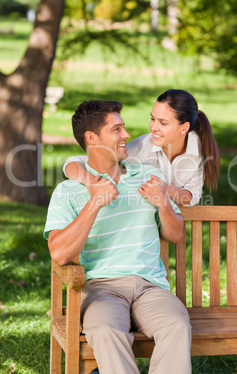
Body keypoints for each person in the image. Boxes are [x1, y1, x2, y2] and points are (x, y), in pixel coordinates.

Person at [44, 100, 192, 374]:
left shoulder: (148, 176)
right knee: (105, 330)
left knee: (177, 325)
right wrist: (94, 203)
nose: (127, 135)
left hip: (151, 287)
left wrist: (163, 203)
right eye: (117, 129)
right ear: (92, 138)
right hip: (102, 289)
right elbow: (60, 253)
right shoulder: (68, 191)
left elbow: (175, 234)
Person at [63, 89, 220, 206]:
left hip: (167, 221)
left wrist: (164, 190)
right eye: (152, 119)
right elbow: (79, 161)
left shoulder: (199, 149)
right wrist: (91, 182)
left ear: (184, 128)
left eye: (163, 123)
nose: (153, 127)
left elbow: (192, 196)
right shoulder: (140, 148)